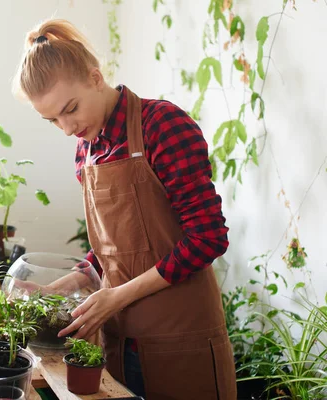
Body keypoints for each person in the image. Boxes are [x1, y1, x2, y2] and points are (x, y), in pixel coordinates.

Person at [12, 19, 237, 400]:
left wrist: (117, 296)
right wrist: (60, 287)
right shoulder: (87, 150)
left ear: (95, 78)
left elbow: (208, 238)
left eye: (70, 109)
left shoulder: (162, 126)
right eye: (53, 121)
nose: (67, 128)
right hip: (117, 343)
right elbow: (115, 247)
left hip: (181, 339)